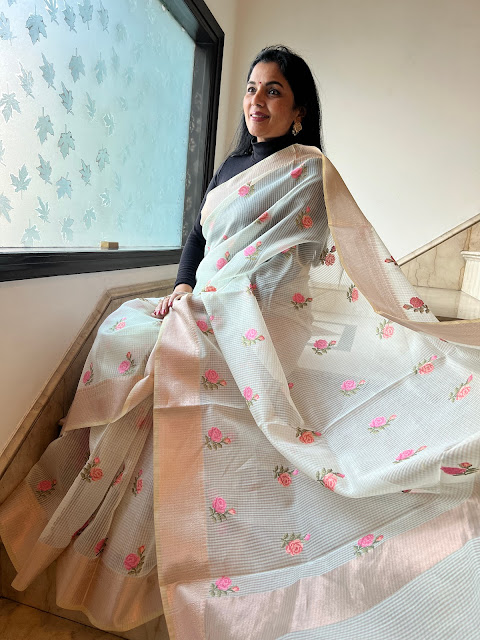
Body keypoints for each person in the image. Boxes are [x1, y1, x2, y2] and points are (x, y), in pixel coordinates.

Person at [1, 45, 480, 640]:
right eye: (252, 89)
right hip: (207, 298)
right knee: (126, 330)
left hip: (264, 312)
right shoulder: (231, 166)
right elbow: (198, 240)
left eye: (273, 91)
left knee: (165, 354)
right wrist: (184, 287)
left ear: (298, 110)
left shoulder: (309, 171)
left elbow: (290, 263)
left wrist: (223, 307)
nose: (257, 100)